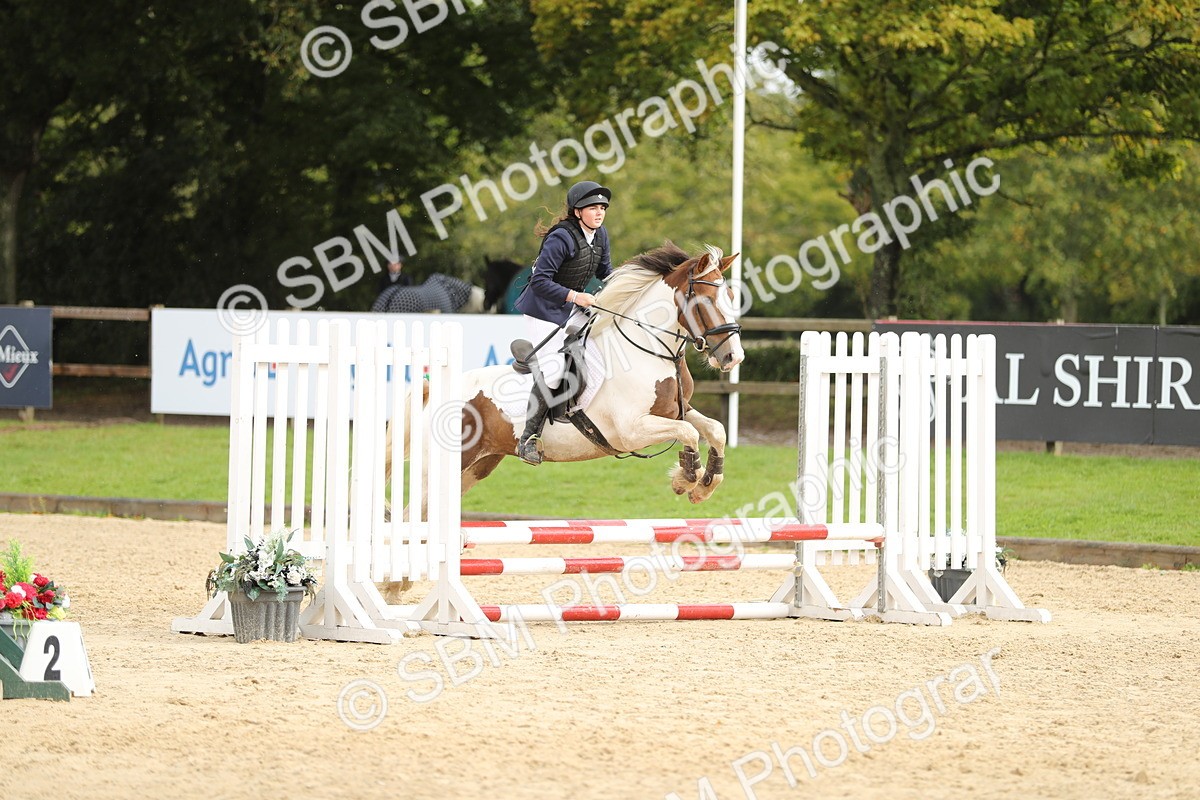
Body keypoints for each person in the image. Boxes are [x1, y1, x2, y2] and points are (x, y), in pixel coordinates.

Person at [513, 180, 614, 465]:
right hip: (543, 308)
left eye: (602, 208)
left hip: (571, 305)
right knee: (554, 368)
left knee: (603, 347)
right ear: (577, 211)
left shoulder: (600, 235)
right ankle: (528, 439)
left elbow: (607, 273)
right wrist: (575, 296)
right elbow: (540, 281)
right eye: (592, 208)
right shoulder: (561, 237)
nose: (599, 213)